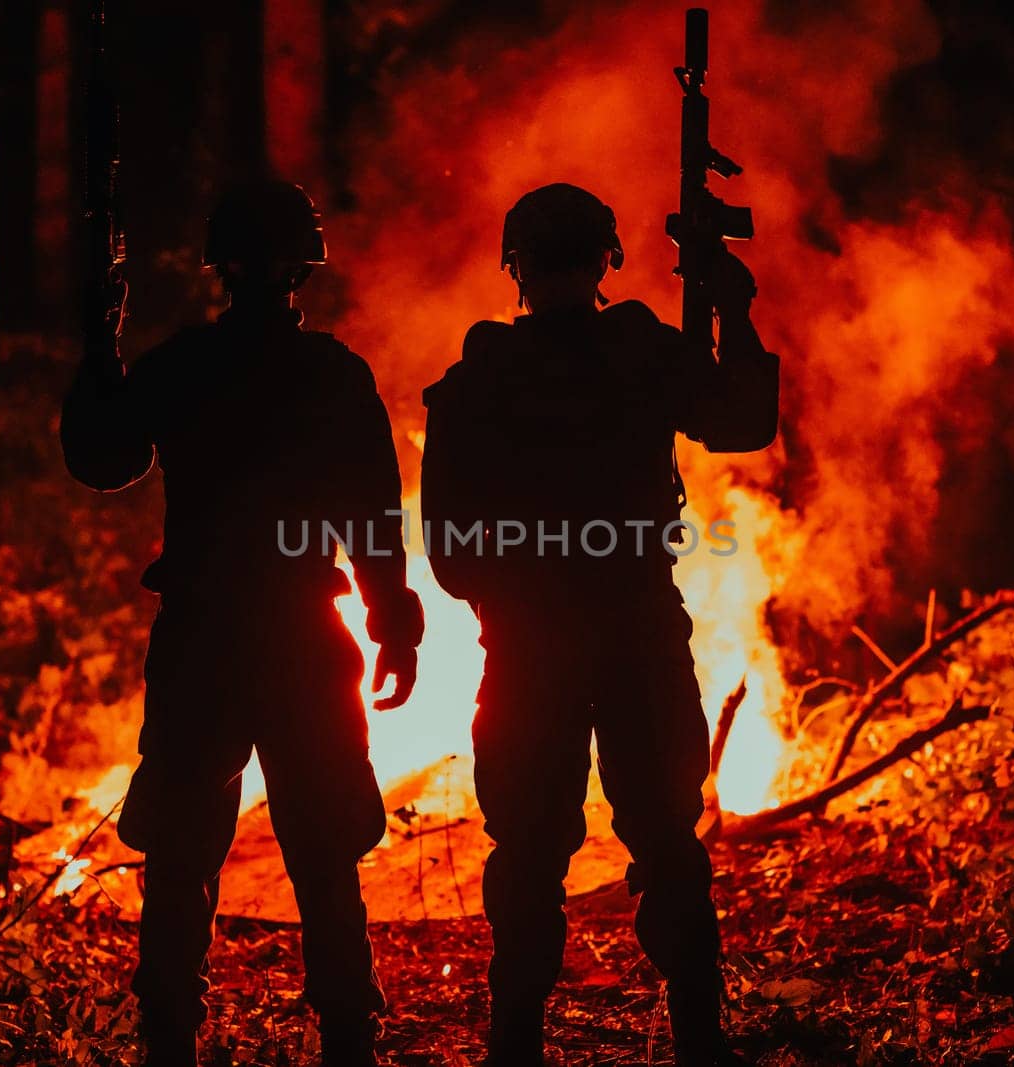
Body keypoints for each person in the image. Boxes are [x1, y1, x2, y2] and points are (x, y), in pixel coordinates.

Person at [61, 179, 423, 1067]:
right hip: (302, 637)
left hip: (203, 640)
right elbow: (373, 516)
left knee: (182, 855)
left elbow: (103, 460)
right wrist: (393, 621)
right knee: (326, 851)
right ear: (306, 265)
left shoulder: (181, 367)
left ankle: (167, 1043)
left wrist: (97, 350)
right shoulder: (334, 376)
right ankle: (348, 1038)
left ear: (217, 266)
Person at [420, 183, 778, 1066]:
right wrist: (732, 306)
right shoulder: (643, 354)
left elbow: (451, 552)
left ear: (516, 270)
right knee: (666, 837)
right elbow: (743, 419)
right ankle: (699, 1037)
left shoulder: (481, 379)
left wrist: (515, 594)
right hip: (635, 633)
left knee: (529, 852)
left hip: (531, 648)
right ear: (605, 260)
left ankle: (516, 1043)